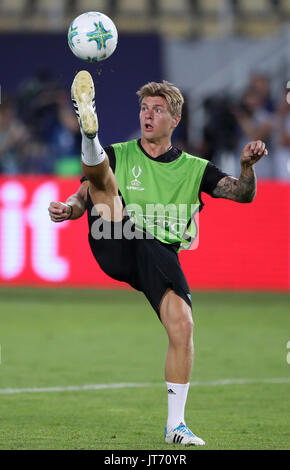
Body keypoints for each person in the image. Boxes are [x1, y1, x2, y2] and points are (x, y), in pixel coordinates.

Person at [48, 70, 268, 446]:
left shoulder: (196, 169)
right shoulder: (121, 154)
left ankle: (175, 427)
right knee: (106, 182)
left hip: (158, 256)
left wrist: (247, 168)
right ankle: (89, 135)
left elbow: (241, 195)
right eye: (144, 108)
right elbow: (87, 192)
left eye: (158, 110)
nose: (148, 115)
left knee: (183, 325)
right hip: (115, 237)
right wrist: (70, 209)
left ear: (175, 120)